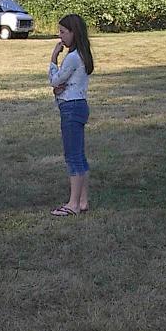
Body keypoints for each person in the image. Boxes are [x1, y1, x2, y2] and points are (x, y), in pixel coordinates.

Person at [48, 14, 94, 217]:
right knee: (79, 155)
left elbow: (55, 80)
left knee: (72, 156)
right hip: (79, 105)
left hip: (71, 107)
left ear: (74, 33)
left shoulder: (73, 57)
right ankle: (82, 200)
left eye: (63, 32)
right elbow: (59, 85)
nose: (60, 37)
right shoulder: (82, 54)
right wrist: (58, 87)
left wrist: (53, 58)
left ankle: (73, 204)